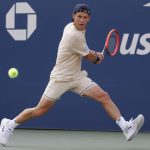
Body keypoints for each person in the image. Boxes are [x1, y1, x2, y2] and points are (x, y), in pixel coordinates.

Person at [0, 4, 144, 146]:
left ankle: (126, 127)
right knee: (39, 111)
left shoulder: (71, 27)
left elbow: (86, 51)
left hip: (77, 76)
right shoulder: (73, 35)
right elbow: (91, 58)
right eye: (79, 16)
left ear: (89, 19)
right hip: (60, 79)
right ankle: (9, 124)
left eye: (85, 17)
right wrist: (98, 58)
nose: (81, 20)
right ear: (73, 16)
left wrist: (95, 54)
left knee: (103, 96)